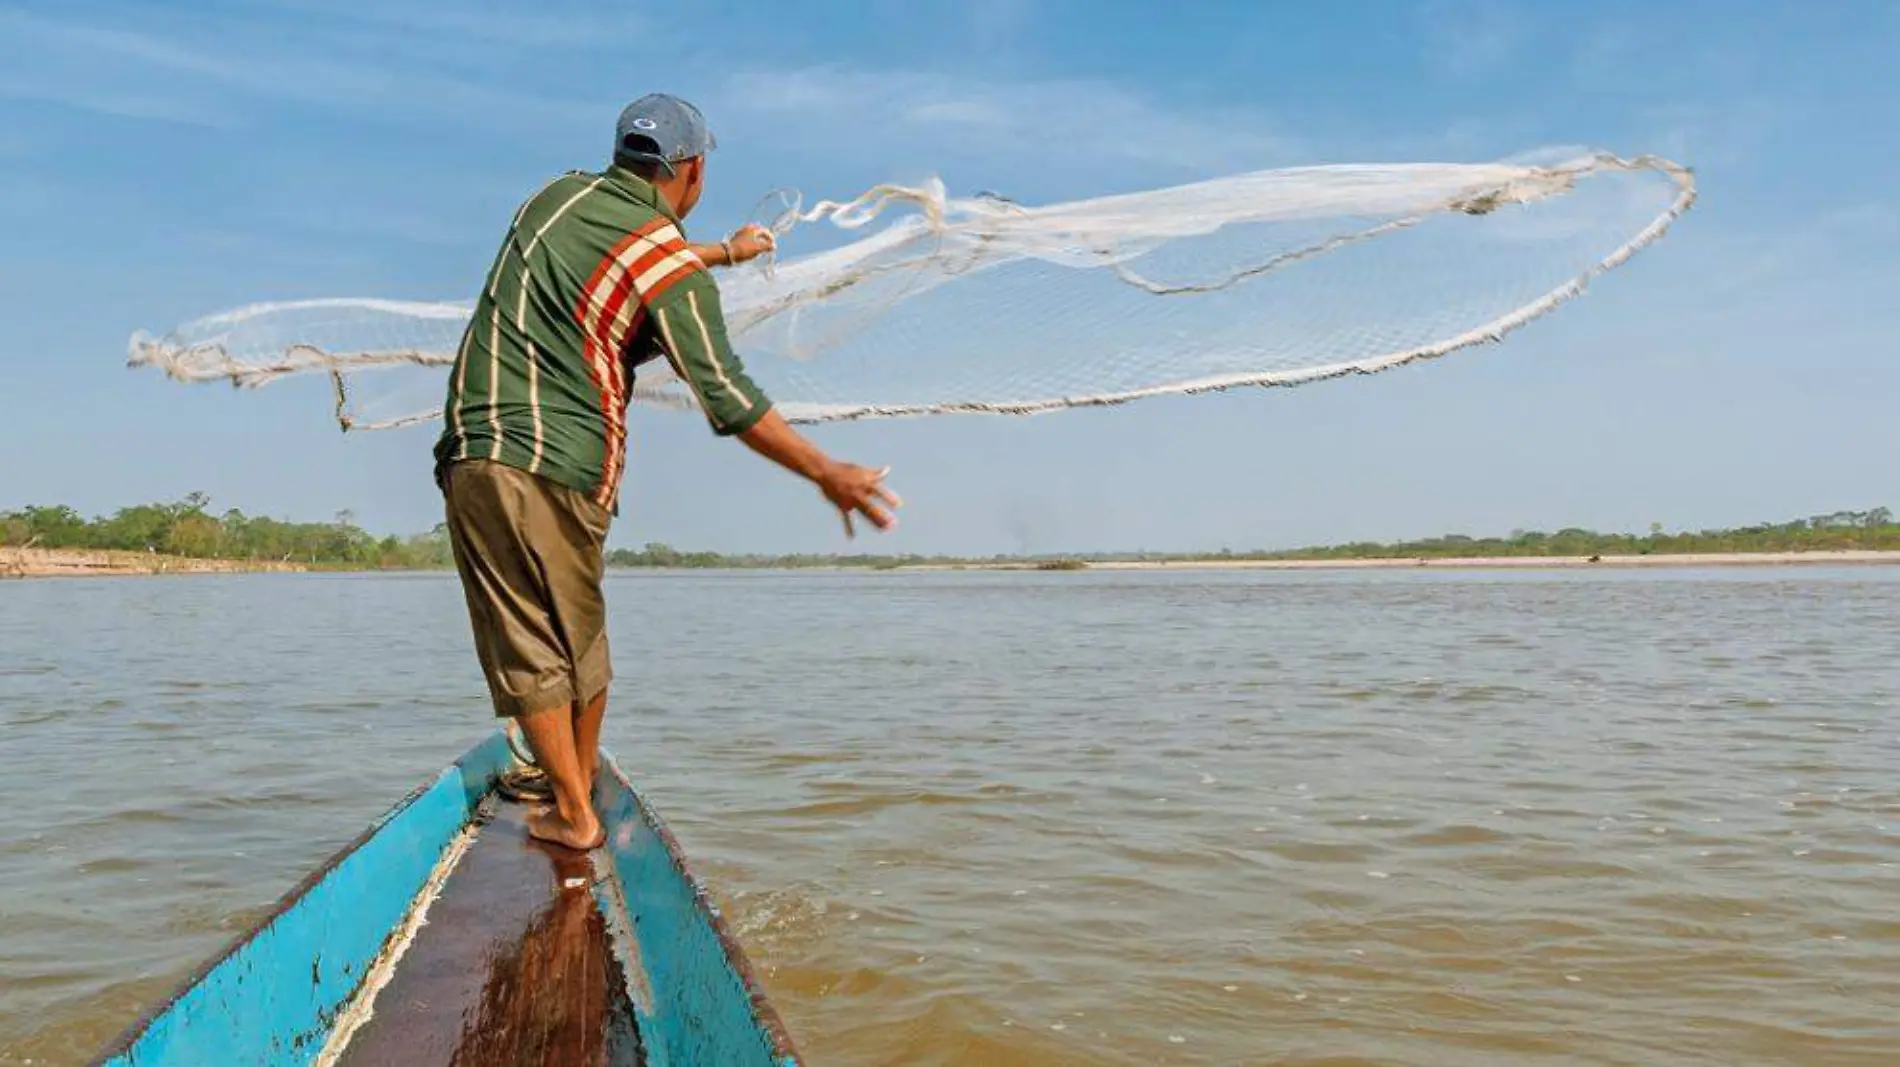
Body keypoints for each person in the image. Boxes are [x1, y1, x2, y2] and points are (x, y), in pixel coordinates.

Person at [433, 92, 902, 850]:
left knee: (525, 638)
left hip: (483, 448)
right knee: (576, 639)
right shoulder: (664, 259)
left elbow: (623, 252)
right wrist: (825, 470)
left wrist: (724, 251)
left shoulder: (549, 199)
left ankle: (571, 801)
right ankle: (579, 806)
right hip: (573, 462)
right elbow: (723, 391)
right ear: (692, 170)